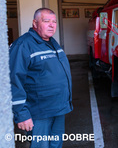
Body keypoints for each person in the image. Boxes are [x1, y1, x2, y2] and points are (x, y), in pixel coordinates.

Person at [10, 8, 73, 147]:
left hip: (58, 108)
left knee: (55, 145)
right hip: (39, 112)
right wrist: (21, 114)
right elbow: (13, 81)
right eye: (46, 21)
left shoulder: (52, 42)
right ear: (35, 23)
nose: (52, 25)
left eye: (54, 21)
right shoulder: (23, 45)